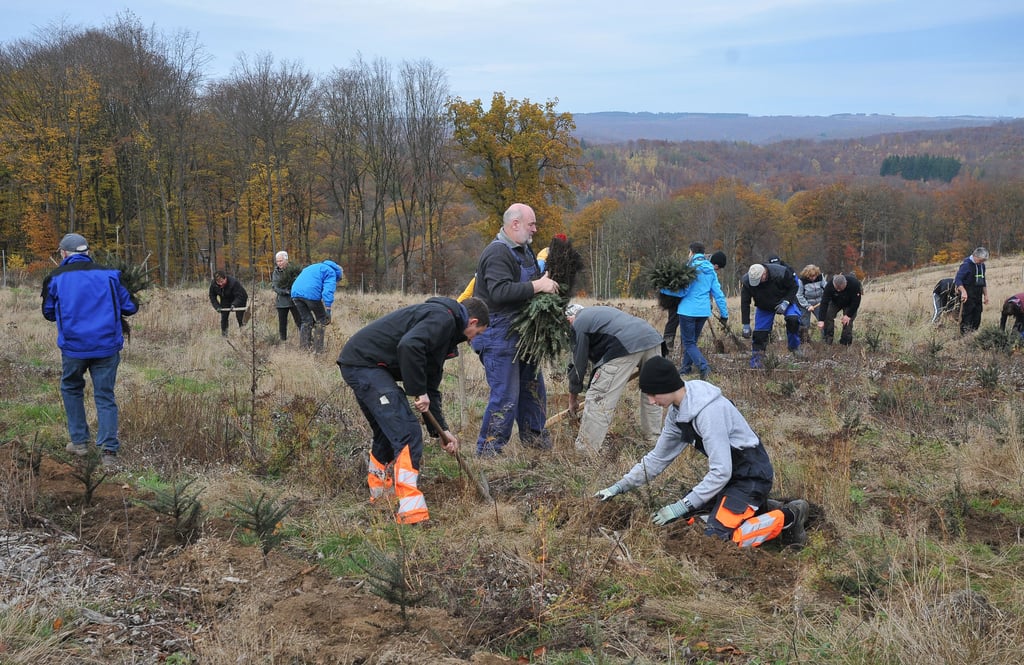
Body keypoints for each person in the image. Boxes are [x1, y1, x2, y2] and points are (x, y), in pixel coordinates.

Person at [593, 356, 809, 548]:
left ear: (667, 386)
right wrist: (620, 486)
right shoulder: (677, 414)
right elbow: (657, 459)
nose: (651, 401)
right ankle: (760, 508)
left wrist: (680, 505)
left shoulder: (709, 412)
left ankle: (790, 515)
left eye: (653, 394)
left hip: (751, 477)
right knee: (687, 522)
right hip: (728, 480)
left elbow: (721, 472)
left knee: (718, 539)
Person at [338, 296, 489, 525]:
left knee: (388, 432)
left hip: (363, 365)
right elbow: (409, 346)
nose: (473, 340)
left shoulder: (444, 333)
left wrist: (442, 432)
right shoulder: (443, 319)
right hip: (364, 364)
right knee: (407, 433)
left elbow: (431, 385)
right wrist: (419, 392)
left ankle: (381, 496)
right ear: (472, 321)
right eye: (477, 333)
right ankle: (411, 512)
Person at [41, 233, 139, 468]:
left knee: (72, 388)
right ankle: (108, 452)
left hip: (74, 348)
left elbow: (48, 312)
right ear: (87, 252)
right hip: (106, 347)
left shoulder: (55, 278)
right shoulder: (110, 275)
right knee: (105, 395)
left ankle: (79, 442)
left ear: (64, 253)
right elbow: (130, 307)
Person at [470, 202, 560, 456]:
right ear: (515, 224)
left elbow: (532, 281)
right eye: (531, 224)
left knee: (532, 390)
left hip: (521, 332)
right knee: (505, 396)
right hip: (497, 332)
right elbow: (500, 292)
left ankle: (535, 445)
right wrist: (538, 287)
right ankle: (488, 452)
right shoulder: (497, 253)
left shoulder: (524, 251)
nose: (535, 229)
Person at [565, 304, 664, 453]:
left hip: (625, 345)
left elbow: (578, 366)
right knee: (653, 393)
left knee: (599, 398)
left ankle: (585, 452)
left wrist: (572, 401)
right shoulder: (598, 313)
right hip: (652, 339)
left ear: (569, 319)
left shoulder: (578, 323)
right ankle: (653, 442)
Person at [659, 242, 728, 379]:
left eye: (689, 252)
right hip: (703, 312)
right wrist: (724, 314)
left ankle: (704, 367)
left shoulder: (690, 268)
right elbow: (718, 294)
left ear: (691, 252)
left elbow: (682, 292)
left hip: (688, 312)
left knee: (689, 343)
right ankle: (685, 368)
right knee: (692, 342)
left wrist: (664, 289)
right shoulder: (710, 270)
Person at [663, 250, 726, 352]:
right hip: (678, 299)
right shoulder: (696, 262)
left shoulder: (706, 266)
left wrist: (708, 303)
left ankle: (685, 350)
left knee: (687, 330)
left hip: (689, 302)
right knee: (673, 321)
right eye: (718, 268)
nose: (717, 270)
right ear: (716, 264)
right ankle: (667, 348)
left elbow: (706, 288)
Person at [740, 261, 800, 368]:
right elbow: (745, 303)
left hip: (784, 300)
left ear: (764, 274)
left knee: (793, 320)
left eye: (758, 280)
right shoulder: (747, 282)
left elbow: (794, 287)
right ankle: (757, 360)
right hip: (764, 306)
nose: (757, 283)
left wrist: (786, 302)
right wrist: (745, 324)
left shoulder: (782, 272)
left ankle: (794, 347)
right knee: (759, 334)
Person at [291, 260, 343, 353]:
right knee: (322, 320)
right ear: (338, 275)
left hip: (295, 293)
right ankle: (318, 350)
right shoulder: (331, 272)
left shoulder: (314, 266)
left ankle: (304, 349)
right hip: (311, 294)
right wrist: (328, 309)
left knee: (306, 320)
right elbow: (328, 290)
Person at [817, 273, 863, 345]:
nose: (838, 290)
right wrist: (821, 320)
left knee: (847, 322)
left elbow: (856, 302)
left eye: (840, 288)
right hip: (835, 302)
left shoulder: (854, 284)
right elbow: (824, 302)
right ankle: (828, 340)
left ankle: (845, 343)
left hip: (850, 304)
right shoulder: (829, 285)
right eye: (836, 288)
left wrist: (848, 315)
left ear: (846, 283)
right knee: (827, 315)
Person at [954, 247, 989, 335]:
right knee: (967, 318)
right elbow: (958, 279)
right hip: (967, 296)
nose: (982, 262)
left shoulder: (982, 266)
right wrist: (963, 291)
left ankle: (973, 336)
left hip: (978, 295)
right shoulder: (966, 265)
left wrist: (986, 295)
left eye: (983, 261)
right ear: (975, 256)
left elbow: (983, 281)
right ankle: (964, 338)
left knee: (977, 318)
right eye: (981, 260)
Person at [271, 251, 301, 341]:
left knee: (299, 321)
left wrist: (292, 291)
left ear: (286, 260)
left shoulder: (294, 270)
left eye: (281, 261)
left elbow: (298, 283)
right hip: (281, 302)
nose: (279, 263)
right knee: (282, 323)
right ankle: (283, 342)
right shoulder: (275, 272)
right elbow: (275, 287)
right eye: (278, 261)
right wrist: (285, 291)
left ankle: (305, 340)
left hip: (294, 300)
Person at [209, 270, 248, 337]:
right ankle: (224, 335)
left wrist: (234, 305)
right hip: (225, 298)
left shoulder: (233, 283)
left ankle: (243, 334)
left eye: (222, 281)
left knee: (240, 317)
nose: (220, 284)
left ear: (225, 278)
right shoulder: (214, 285)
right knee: (224, 317)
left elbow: (239, 296)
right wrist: (217, 306)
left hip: (240, 298)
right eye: (218, 282)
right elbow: (212, 296)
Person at [796, 264, 826, 342]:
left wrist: (825, 299)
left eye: (814, 276)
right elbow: (799, 295)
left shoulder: (820, 277)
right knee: (805, 324)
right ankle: (804, 341)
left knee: (823, 321)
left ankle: (825, 340)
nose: (813, 278)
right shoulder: (801, 281)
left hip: (819, 302)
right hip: (805, 304)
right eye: (811, 276)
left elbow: (826, 288)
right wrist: (807, 306)